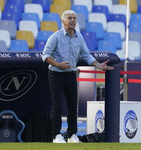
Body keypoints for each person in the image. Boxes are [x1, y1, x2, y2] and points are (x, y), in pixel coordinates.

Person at [42, 10, 114, 143]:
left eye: (74, 18)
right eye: (69, 18)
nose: (73, 20)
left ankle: (71, 135)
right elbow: (45, 55)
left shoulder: (79, 37)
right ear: (63, 21)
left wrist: (99, 65)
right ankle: (56, 135)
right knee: (57, 106)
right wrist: (59, 65)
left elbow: (86, 55)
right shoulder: (55, 37)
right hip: (56, 74)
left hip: (70, 74)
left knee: (72, 106)